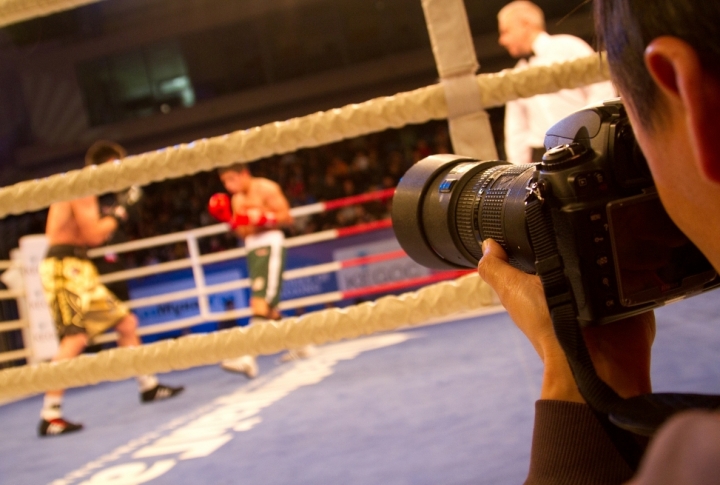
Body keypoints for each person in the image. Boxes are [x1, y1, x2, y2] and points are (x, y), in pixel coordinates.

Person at [478, 0, 720, 483]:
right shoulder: (520, 78)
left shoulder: (694, 456)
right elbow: (518, 140)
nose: (503, 41)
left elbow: (606, 109)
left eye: (506, 30)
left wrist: (575, 370)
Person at [37, 141, 184, 437]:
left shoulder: (87, 190)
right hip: (64, 268)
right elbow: (93, 235)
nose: (119, 175)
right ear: (103, 165)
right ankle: (50, 414)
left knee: (126, 322)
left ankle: (149, 386)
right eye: (116, 168)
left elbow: (92, 236)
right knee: (75, 338)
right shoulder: (80, 185)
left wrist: (112, 214)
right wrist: (118, 213)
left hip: (80, 268)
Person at [209, 162, 310, 378]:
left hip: (270, 243)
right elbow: (244, 232)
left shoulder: (266, 188)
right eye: (225, 182)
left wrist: (264, 217)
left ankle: (248, 357)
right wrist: (230, 220)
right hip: (252, 248)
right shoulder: (236, 200)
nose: (228, 186)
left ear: (244, 174)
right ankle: (300, 343)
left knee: (259, 302)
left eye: (231, 179)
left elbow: (287, 217)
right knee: (269, 309)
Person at [497, 1, 616, 164]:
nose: (502, 41)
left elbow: (602, 86)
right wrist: (516, 172)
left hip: (582, 144)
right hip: (542, 155)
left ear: (525, 24)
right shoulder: (516, 73)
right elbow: (516, 130)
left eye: (506, 31)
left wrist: (585, 130)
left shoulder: (567, 46)